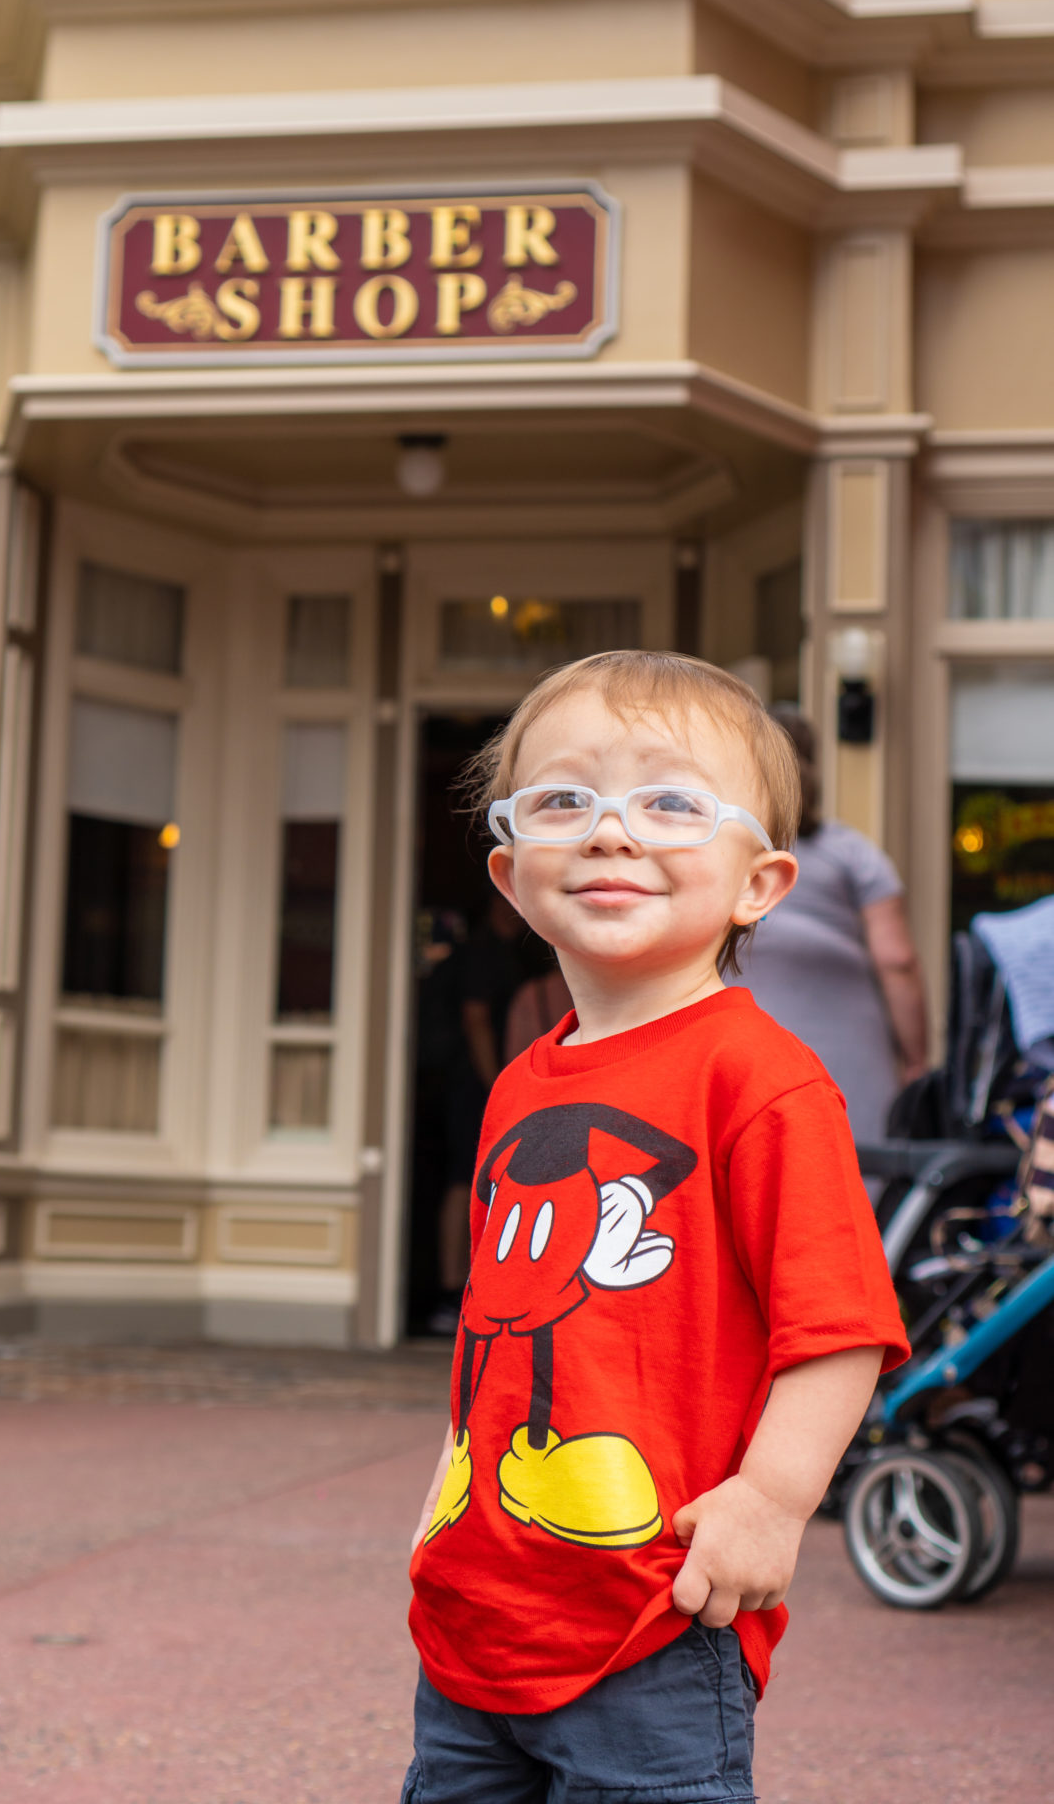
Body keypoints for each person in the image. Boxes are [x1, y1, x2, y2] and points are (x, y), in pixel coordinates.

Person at [403, 651, 906, 1804]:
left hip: (658, 1609)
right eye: (565, 799)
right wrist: (443, 1503)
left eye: (671, 800)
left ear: (759, 883)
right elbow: (495, 1327)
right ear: (512, 873)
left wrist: (771, 1501)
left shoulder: (761, 1079)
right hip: (479, 1603)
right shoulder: (520, 1086)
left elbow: (837, 1326)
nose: (612, 831)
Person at [731, 708, 927, 1147]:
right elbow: (897, 961)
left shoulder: (718, 850)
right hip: (849, 1058)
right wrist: (916, 1060)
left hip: (736, 1054)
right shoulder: (854, 852)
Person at [427, 891, 528, 1335]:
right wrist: (496, 1088)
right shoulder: (484, 952)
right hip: (475, 1086)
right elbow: (476, 1019)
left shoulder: (514, 953)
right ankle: (454, 1293)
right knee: (465, 1180)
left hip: (488, 1084)